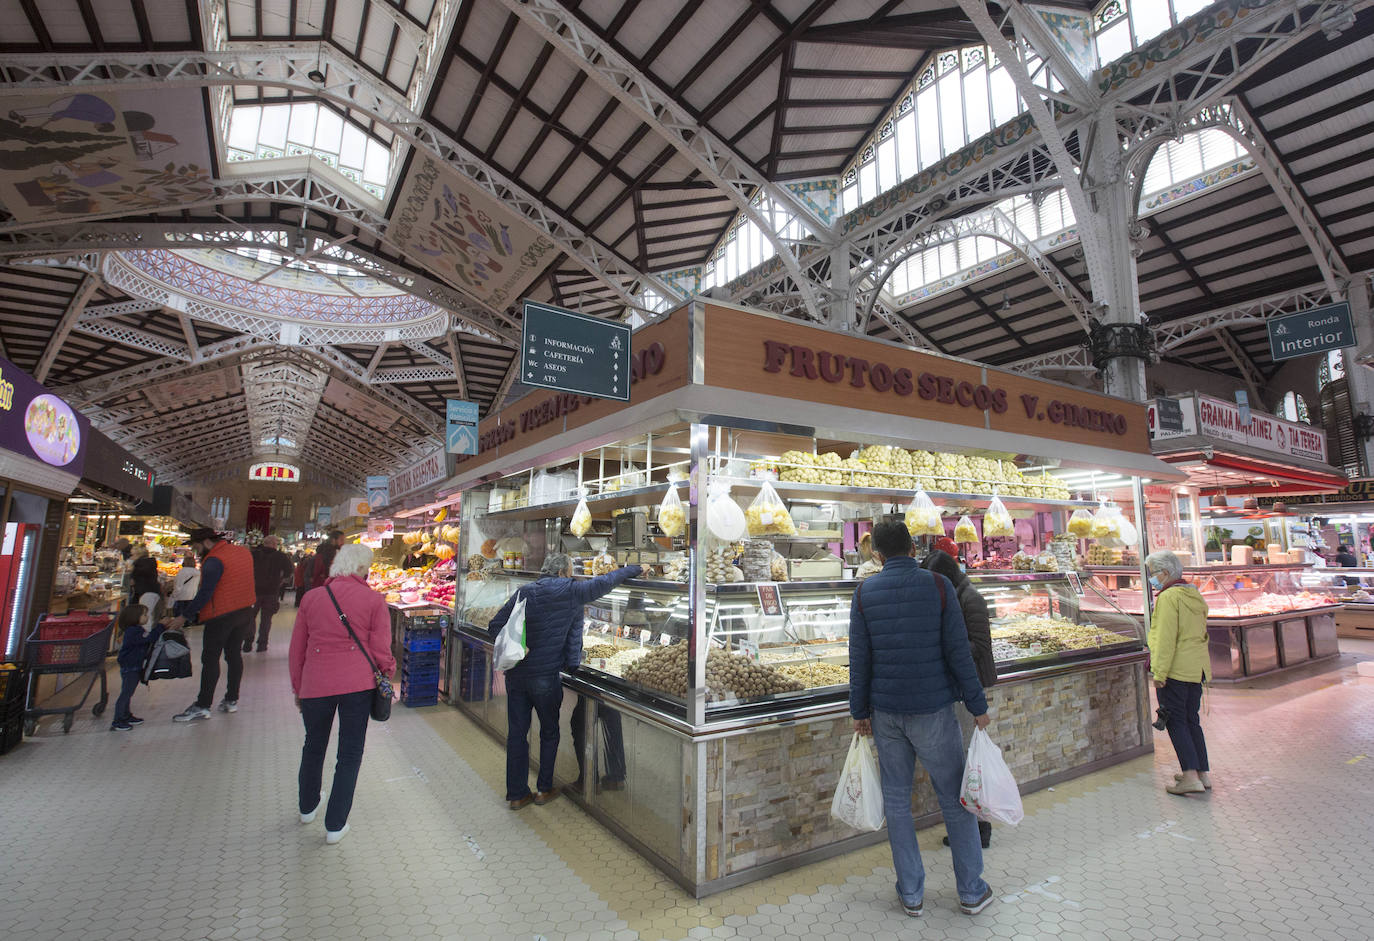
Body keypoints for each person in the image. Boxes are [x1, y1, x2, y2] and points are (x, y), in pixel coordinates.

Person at [849, 520, 993, 918]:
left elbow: (859, 660)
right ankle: (971, 890)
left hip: (886, 713)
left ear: (876, 554)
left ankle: (911, 893)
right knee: (954, 799)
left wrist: (859, 711)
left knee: (896, 802)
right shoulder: (938, 587)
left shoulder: (864, 592)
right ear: (913, 547)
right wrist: (978, 706)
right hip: (933, 710)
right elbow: (959, 654)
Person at [486, 553, 642, 810]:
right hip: (546, 677)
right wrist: (634, 568)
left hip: (517, 676)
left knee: (517, 735)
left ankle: (516, 794)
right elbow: (605, 582)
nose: (571, 577)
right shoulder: (570, 591)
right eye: (570, 573)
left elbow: (495, 626)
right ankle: (544, 789)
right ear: (562, 573)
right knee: (549, 732)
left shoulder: (524, 591)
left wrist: (521, 646)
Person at [290, 543, 396, 845]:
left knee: (313, 746)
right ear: (361, 568)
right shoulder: (374, 600)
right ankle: (335, 825)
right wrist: (387, 673)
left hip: (315, 684)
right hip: (357, 685)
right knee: (349, 754)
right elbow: (380, 648)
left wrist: (298, 687)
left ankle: (307, 807)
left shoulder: (311, 599)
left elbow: (297, 649)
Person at [922, 546, 997, 850]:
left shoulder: (970, 598)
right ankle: (970, 826)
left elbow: (979, 645)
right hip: (959, 686)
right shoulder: (953, 595)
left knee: (968, 761)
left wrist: (946, 645)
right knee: (962, 760)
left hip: (972, 686)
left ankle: (979, 828)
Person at [164, 528, 257, 722]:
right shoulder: (242, 552)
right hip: (245, 610)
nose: (196, 551)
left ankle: (203, 705)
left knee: (210, 658)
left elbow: (205, 593)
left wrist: (184, 617)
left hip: (221, 614)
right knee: (233, 655)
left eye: (196, 546)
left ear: (206, 542)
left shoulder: (214, 560)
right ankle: (231, 700)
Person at [1145, 550, 1212, 795]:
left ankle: (1189, 776)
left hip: (1176, 669)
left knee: (1176, 722)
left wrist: (1159, 673)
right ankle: (1202, 773)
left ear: (1165, 573)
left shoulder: (1168, 598)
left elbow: (1164, 639)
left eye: (1154, 573)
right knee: (1192, 720)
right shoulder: (1194, 594)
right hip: (1197, 669)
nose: (1152, 578)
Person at [111, 604, 163, 731]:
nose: (147, 617)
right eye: (144, 614)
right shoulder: (133, 631)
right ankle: (118, 720)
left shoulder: (135, 630)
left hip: (133, 665)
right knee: (126, 693)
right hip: (130, 666)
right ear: (134, 617)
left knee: (128, 691)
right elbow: (149, 639)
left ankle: (126, 715)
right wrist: (161, 626)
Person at [248, 535, 295, 652]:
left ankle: (248, 641)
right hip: (272, 591)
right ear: (275, 544)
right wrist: (281, 581)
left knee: (250, 616)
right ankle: (262, 644)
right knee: (266, 618)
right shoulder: (281, 556)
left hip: (255, 590)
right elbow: (290, 570)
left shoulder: (254, 554)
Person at [169, 555, 200, 619]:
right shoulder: (198, 572)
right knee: (188, 616)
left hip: (181, 597)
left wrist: (174, 595)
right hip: (192, 596)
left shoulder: (182, 572)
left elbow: (178, 585)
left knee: (179, 616)